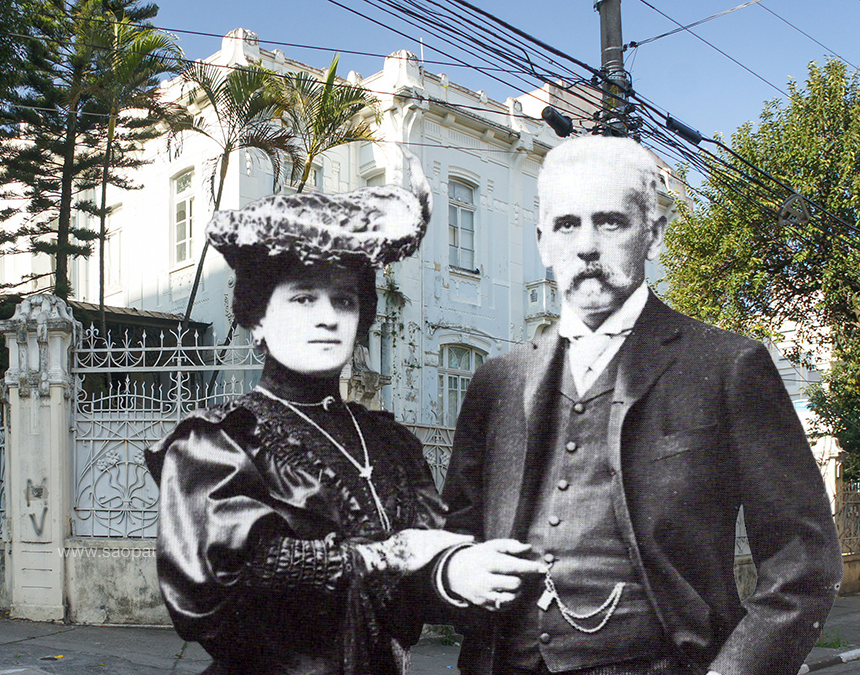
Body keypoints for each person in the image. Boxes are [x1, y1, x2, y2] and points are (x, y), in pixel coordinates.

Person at [433, 135, 842, 675]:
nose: (586, 246)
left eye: (610, 222)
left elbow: (803, 562)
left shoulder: (728, 365)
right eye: (566, 225)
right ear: (543, 243)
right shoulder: (497, 381)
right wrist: (453, 572)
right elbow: (453, 539)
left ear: (653, 234)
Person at [145, 160, 520, 675]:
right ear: (257, 319)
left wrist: (455, 572)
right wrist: (388, 555)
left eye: (343, 300)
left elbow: (421, 577)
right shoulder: (221, 440)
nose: (327, 317)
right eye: (303, 298)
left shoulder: (389, 443)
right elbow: (209, 590)